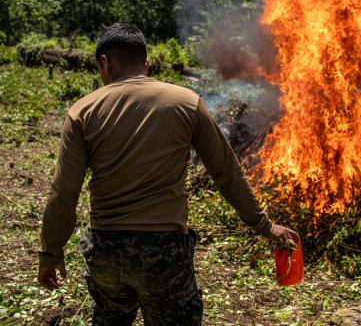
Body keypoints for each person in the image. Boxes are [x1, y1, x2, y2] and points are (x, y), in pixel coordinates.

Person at [37, 23, 297, 326]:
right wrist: (264, 226)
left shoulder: (82, 111)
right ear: (147, 62)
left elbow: (62, 194)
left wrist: (50, 252)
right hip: (163, 253)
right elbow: (226, 172)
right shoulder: (186, 102)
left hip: (105, 251)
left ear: (105, 63)